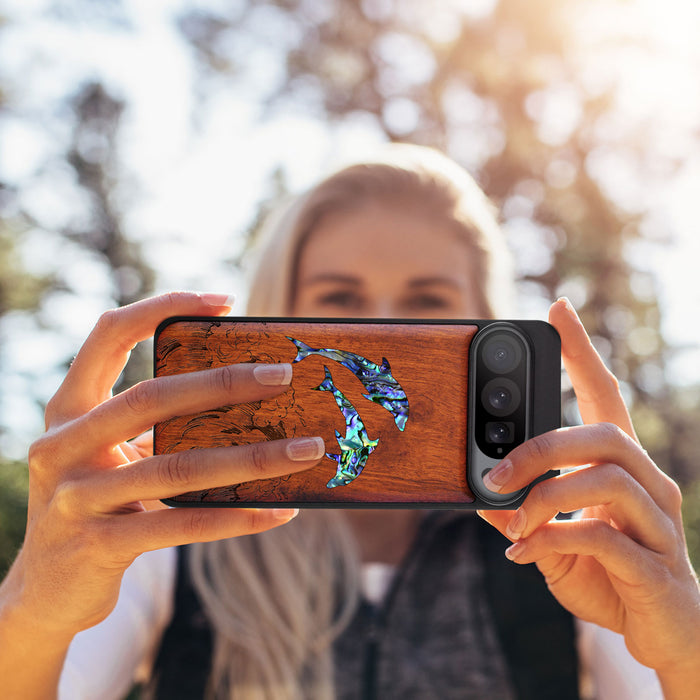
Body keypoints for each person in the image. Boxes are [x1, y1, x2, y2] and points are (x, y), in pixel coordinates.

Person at [0, 145, 698, 700]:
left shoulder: (567, 543)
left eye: (427, 301)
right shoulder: (171, 534)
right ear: (280, 315)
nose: (384, 331)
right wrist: (34, 607)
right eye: (340, 299)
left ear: (487, 323)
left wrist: (685, 648)